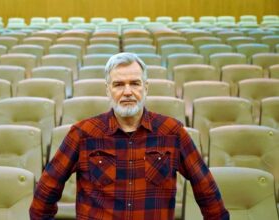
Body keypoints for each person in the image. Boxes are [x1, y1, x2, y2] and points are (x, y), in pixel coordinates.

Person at [30, 52, 229, 219]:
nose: (127, 92)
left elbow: (207, 192)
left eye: (135, 83)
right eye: (118, 85)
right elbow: (45, 194)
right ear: (107, 90)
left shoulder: (172, 132)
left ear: (146, 87)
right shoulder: (83, 134)